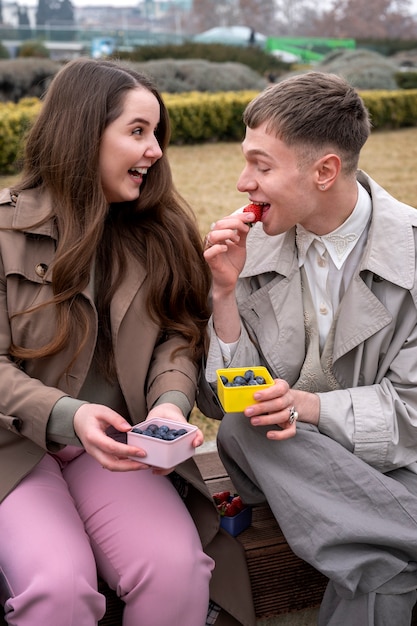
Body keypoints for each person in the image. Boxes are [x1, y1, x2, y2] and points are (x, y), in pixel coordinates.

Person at [0, 58, 255, 626]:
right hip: (12, 453)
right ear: (82, 131)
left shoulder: (158, 233)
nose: (156, 151)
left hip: (118, 448)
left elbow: (178, 336)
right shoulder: (3, 233)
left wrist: (168, 402)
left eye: (156, 135)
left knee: (177, 570)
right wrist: (69, 415)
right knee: (58, 588)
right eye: (137, 132)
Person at [198, 70, 417, 626]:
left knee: (377, 569)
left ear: (324, 171)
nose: (243, 182)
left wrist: (310, 406)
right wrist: (224, 295)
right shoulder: (249, 256)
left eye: (261, 165)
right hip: (292, 463)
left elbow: (412, 415)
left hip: (398, 466)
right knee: (242, 428)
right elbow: (228, 404)